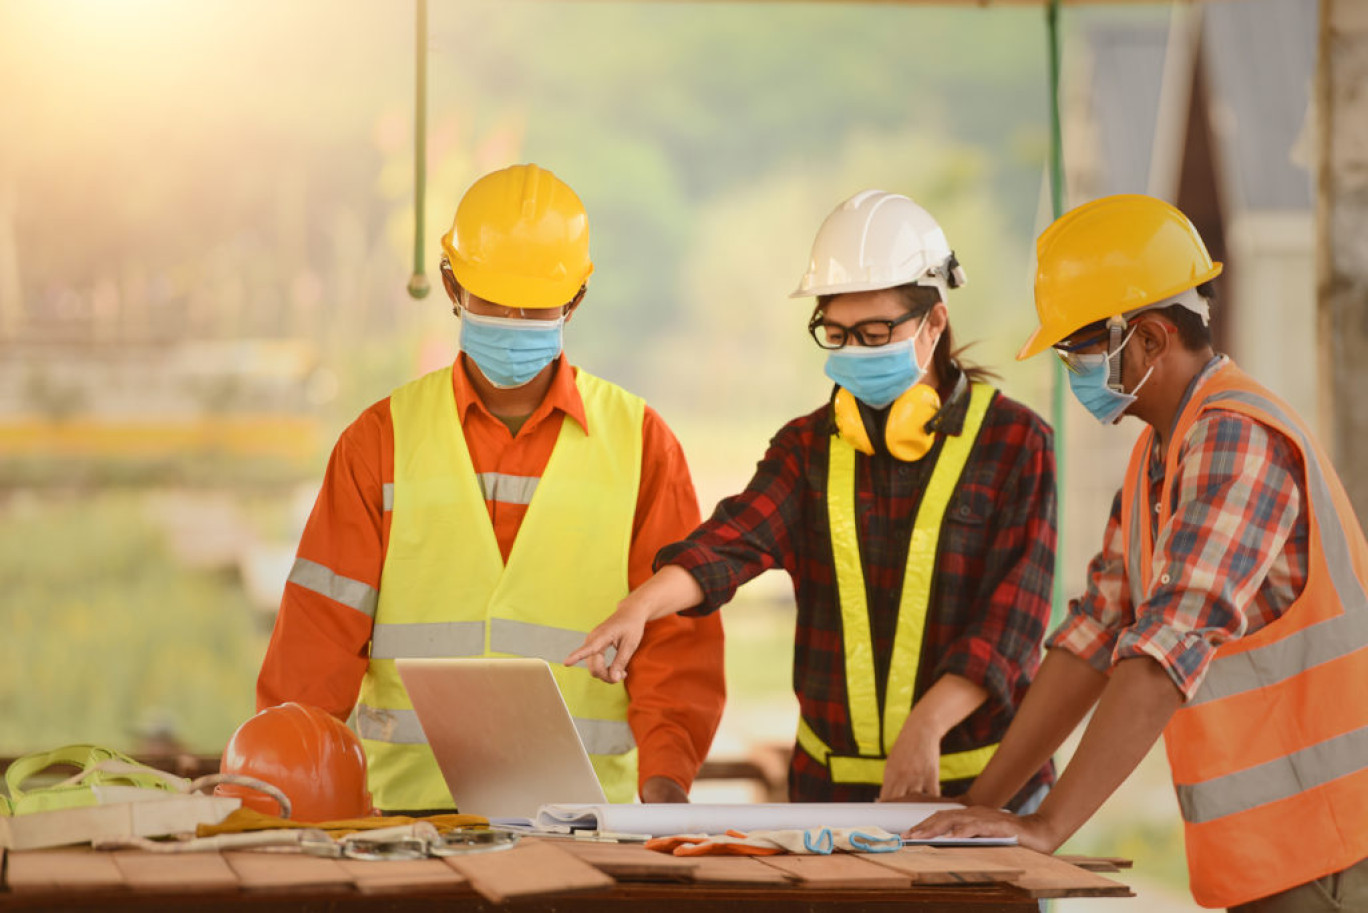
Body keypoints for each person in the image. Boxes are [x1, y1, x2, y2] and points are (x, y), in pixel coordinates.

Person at [909, 194, 1368, 911]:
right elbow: (1094, 635)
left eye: (1080, 350)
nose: (1072, 369)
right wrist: (985, 806)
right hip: (1277, 854)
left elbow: (1162, 651)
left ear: (1149, 338)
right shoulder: (1164, 451)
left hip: (1333, 848)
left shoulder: (1235, 439)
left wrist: (1046, 824)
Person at [257, 164, 725, 814]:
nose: (512, 319)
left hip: (590, 828)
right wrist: (286, 786)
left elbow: (676, 643)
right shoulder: (379, 443)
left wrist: (665, 789)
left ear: (577, 298)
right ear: (451, 285)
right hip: (409, 826)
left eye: (534, 307)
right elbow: (317, 642)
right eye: (493, 299)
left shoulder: (644, 445)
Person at [569, 189, 1057, 808]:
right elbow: (730, 542)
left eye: (876, 332)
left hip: (985, 792)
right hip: (831, 798)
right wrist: (640, 606)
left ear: (934, 324)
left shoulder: (1016, 444)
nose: (854, 350)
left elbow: (1011, 625)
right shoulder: (808, 448)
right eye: (837, 333)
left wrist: (926, 726)